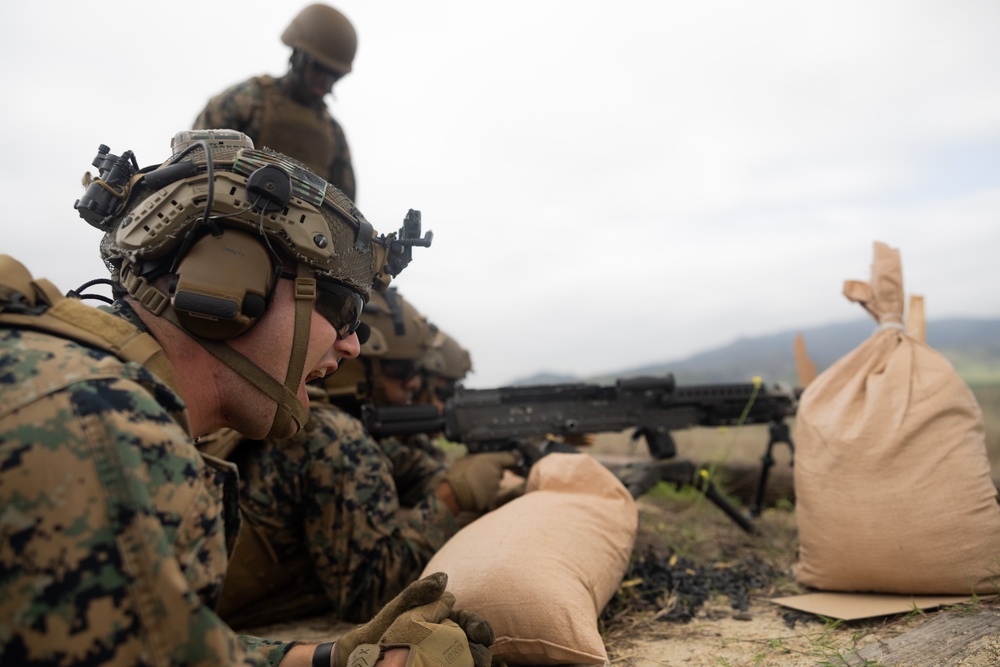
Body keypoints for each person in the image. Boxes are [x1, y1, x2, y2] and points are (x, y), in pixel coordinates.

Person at [0, 129, 493, 667]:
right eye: (344, 311)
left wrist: (330, 658)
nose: (353, 345)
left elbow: (162, 640)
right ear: (231, 280)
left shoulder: (95, 392)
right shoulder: (100, 426)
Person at [199, 288, 517, 629]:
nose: (413, 383)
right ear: (360, 368)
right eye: (401, 370)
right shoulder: (335, 438)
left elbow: (411, 469)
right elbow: (369, 594)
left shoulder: (327, 426)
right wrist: (451, 498)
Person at [194, 4, 358, 200]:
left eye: (334, 75)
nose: (325, 81)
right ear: (297, 56)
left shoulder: (333, 135)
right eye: (317, 68)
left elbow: (346, 209)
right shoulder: (247, 100)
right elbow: (194, 165)